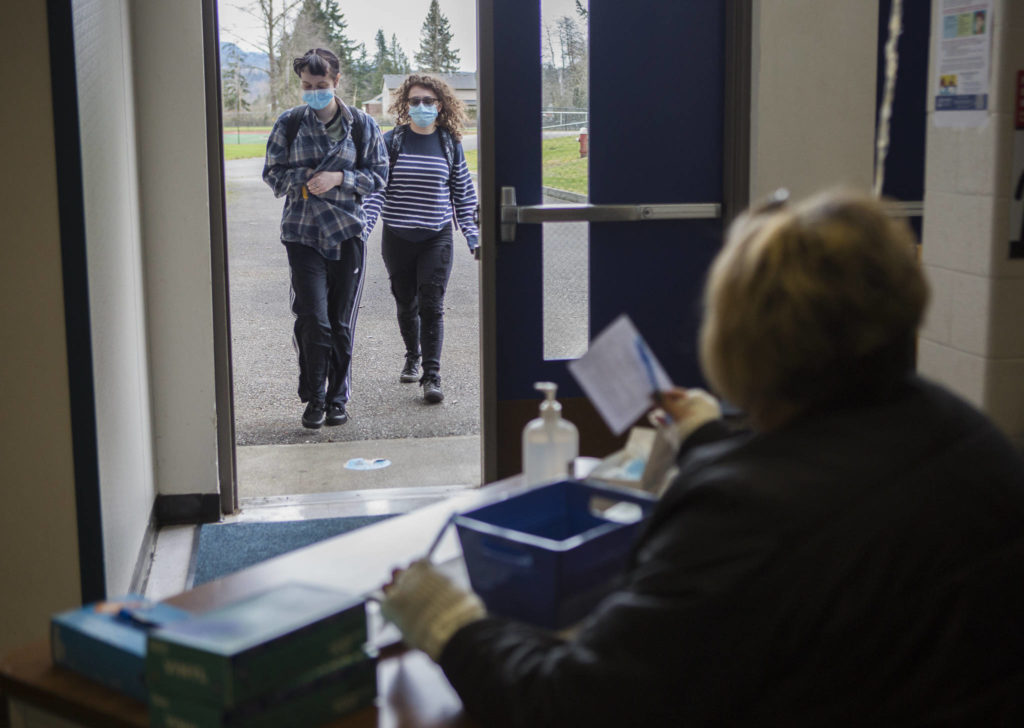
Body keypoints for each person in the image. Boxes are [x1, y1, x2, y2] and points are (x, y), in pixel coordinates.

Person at [380, 189, 1024, 726]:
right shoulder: (968, 434)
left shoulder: (740, 516)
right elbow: (837, 496)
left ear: (738, 337)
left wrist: (452, 625)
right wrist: (710, 440)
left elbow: (574, 705)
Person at [263, 48, 388, 428]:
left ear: (336, 82)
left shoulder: (363, 125)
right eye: (306, 85)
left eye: (321, 85)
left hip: (347, 234)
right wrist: (304, 178)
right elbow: (273, 174)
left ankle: (337, 398)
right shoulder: (289, 123)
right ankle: (314, 397)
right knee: (313, 319)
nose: (313, 91)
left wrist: (339, 178)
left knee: (339, 321)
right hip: (302, 233)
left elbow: (379, 175)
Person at [361, 74, 479, 404]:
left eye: (429, 101)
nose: (422, 106)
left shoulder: (449, 143)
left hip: (436, 237)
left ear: (440, 105)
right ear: (405, 105)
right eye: (415, 101)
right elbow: (376, 192)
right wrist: (363, 230)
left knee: (432, 305)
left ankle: (432, 375)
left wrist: (473, 236)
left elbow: (464, 195)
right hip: (397, 237)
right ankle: (412, 355)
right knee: (405, 302)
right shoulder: (391, 142)